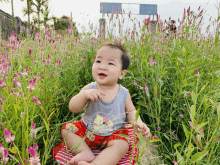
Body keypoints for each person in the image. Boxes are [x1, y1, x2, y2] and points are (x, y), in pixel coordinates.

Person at [61, 40, 150, 165]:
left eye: (110, 63)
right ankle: (84, 151)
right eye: (98, 61)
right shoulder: (89, 88)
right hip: (87, 131)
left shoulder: (123, 93)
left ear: (121, 74)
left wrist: (138, 122)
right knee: (66, 129)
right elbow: (73, 108)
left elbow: (131, 111)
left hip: (113, 134)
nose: (102, 66)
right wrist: (84, 96)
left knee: (123, 144)